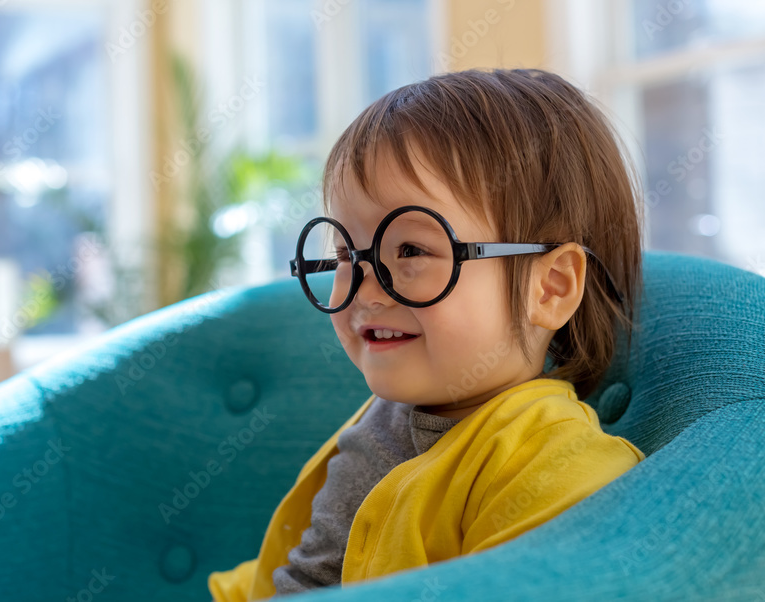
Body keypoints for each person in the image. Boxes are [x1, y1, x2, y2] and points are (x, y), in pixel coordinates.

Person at [208, 68, 647, 601]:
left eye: (411, 251)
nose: (365, 290)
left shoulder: (552, 467)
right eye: (348, 253)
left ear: (550, 288)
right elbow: (306, 573)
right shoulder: (385, 417)